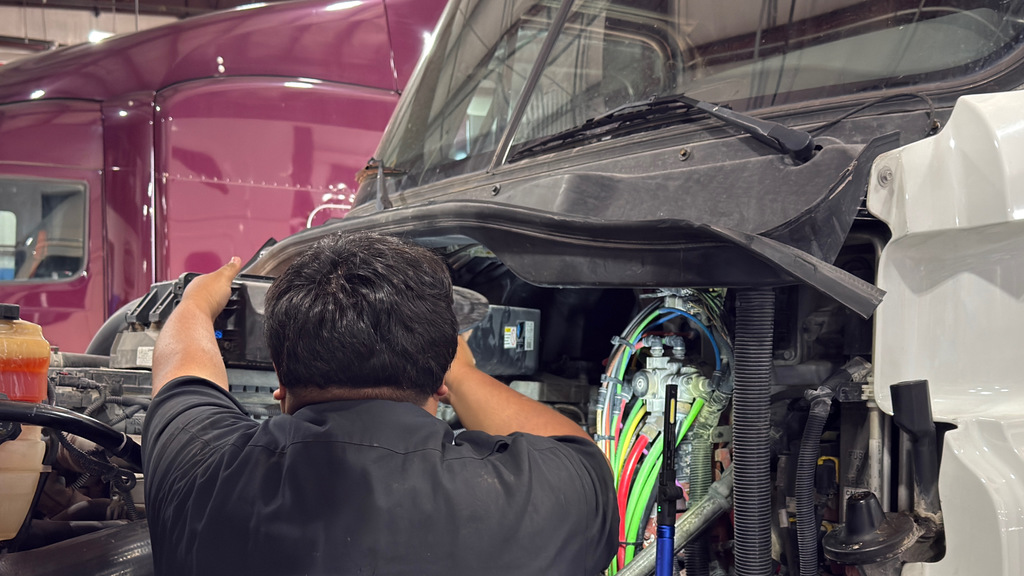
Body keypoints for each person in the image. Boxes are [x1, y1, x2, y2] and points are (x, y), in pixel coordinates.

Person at [143, 232, 618, 576]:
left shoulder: (200, 475)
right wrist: (460, 369)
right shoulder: (548, 498)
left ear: (280, 382)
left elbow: (182, 375)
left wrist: (194, 303)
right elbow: (575, 449)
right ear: (439, 383)